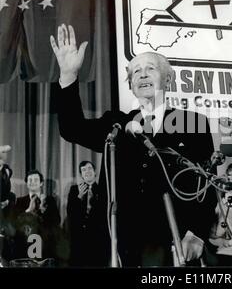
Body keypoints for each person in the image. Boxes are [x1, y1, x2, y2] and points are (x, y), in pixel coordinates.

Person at [50, 24, 217, 267]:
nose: (142, 74)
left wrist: (197, 232)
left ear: (167, 78)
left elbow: (206, 183)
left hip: (173, 244)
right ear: (130, 84)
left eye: (150, 68)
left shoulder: (192, 122)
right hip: (119, 245)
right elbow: (71, 129)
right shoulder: (117, 123)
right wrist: (68, 76)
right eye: (136, 71)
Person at [66, 160, 108, 267]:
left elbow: (103, 213)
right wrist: (79, 197)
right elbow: (70, 213)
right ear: (81, 174)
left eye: (90, 168)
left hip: (97, 238)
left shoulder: (103, 190)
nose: (87, 172)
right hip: (79, 239)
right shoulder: (74, 190)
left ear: (95, 172)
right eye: (84, 170)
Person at [13, 170, 61, 262]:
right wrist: (28, 211)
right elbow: (16, 225)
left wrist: (42, 211)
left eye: (35, 180)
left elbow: (56, 221)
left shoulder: (50, 200)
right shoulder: (19, 201)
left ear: (41, 183)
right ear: (26, 183)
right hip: (25, 247)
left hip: (46, 247)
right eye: (30, 180)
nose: (32, 182)